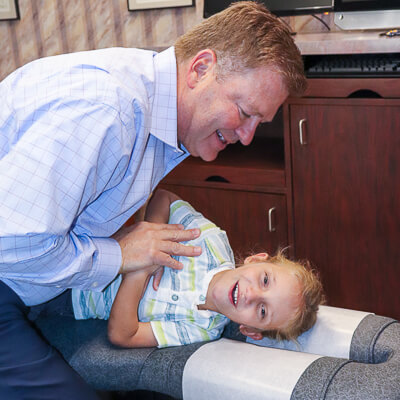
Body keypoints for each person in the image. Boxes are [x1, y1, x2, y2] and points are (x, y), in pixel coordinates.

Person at [0, 1, 307, 398]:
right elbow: (13, 244)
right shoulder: (109, 111)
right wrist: (123, 256)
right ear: (201, 69)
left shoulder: (159, 117)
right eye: (245, 113)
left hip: (31, 281)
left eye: (258, 124)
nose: (247, 137)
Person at [35, 189, 324, 348]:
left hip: (69, 302)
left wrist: (141, 270)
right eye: (264, 280)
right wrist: (157, 236)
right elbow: (165, 197)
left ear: (250, 330)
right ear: (256, 259)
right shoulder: (210, 241)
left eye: (262, 311)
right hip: (83, 247)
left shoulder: (202, 329)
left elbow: (123, 335)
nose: (251, 295)